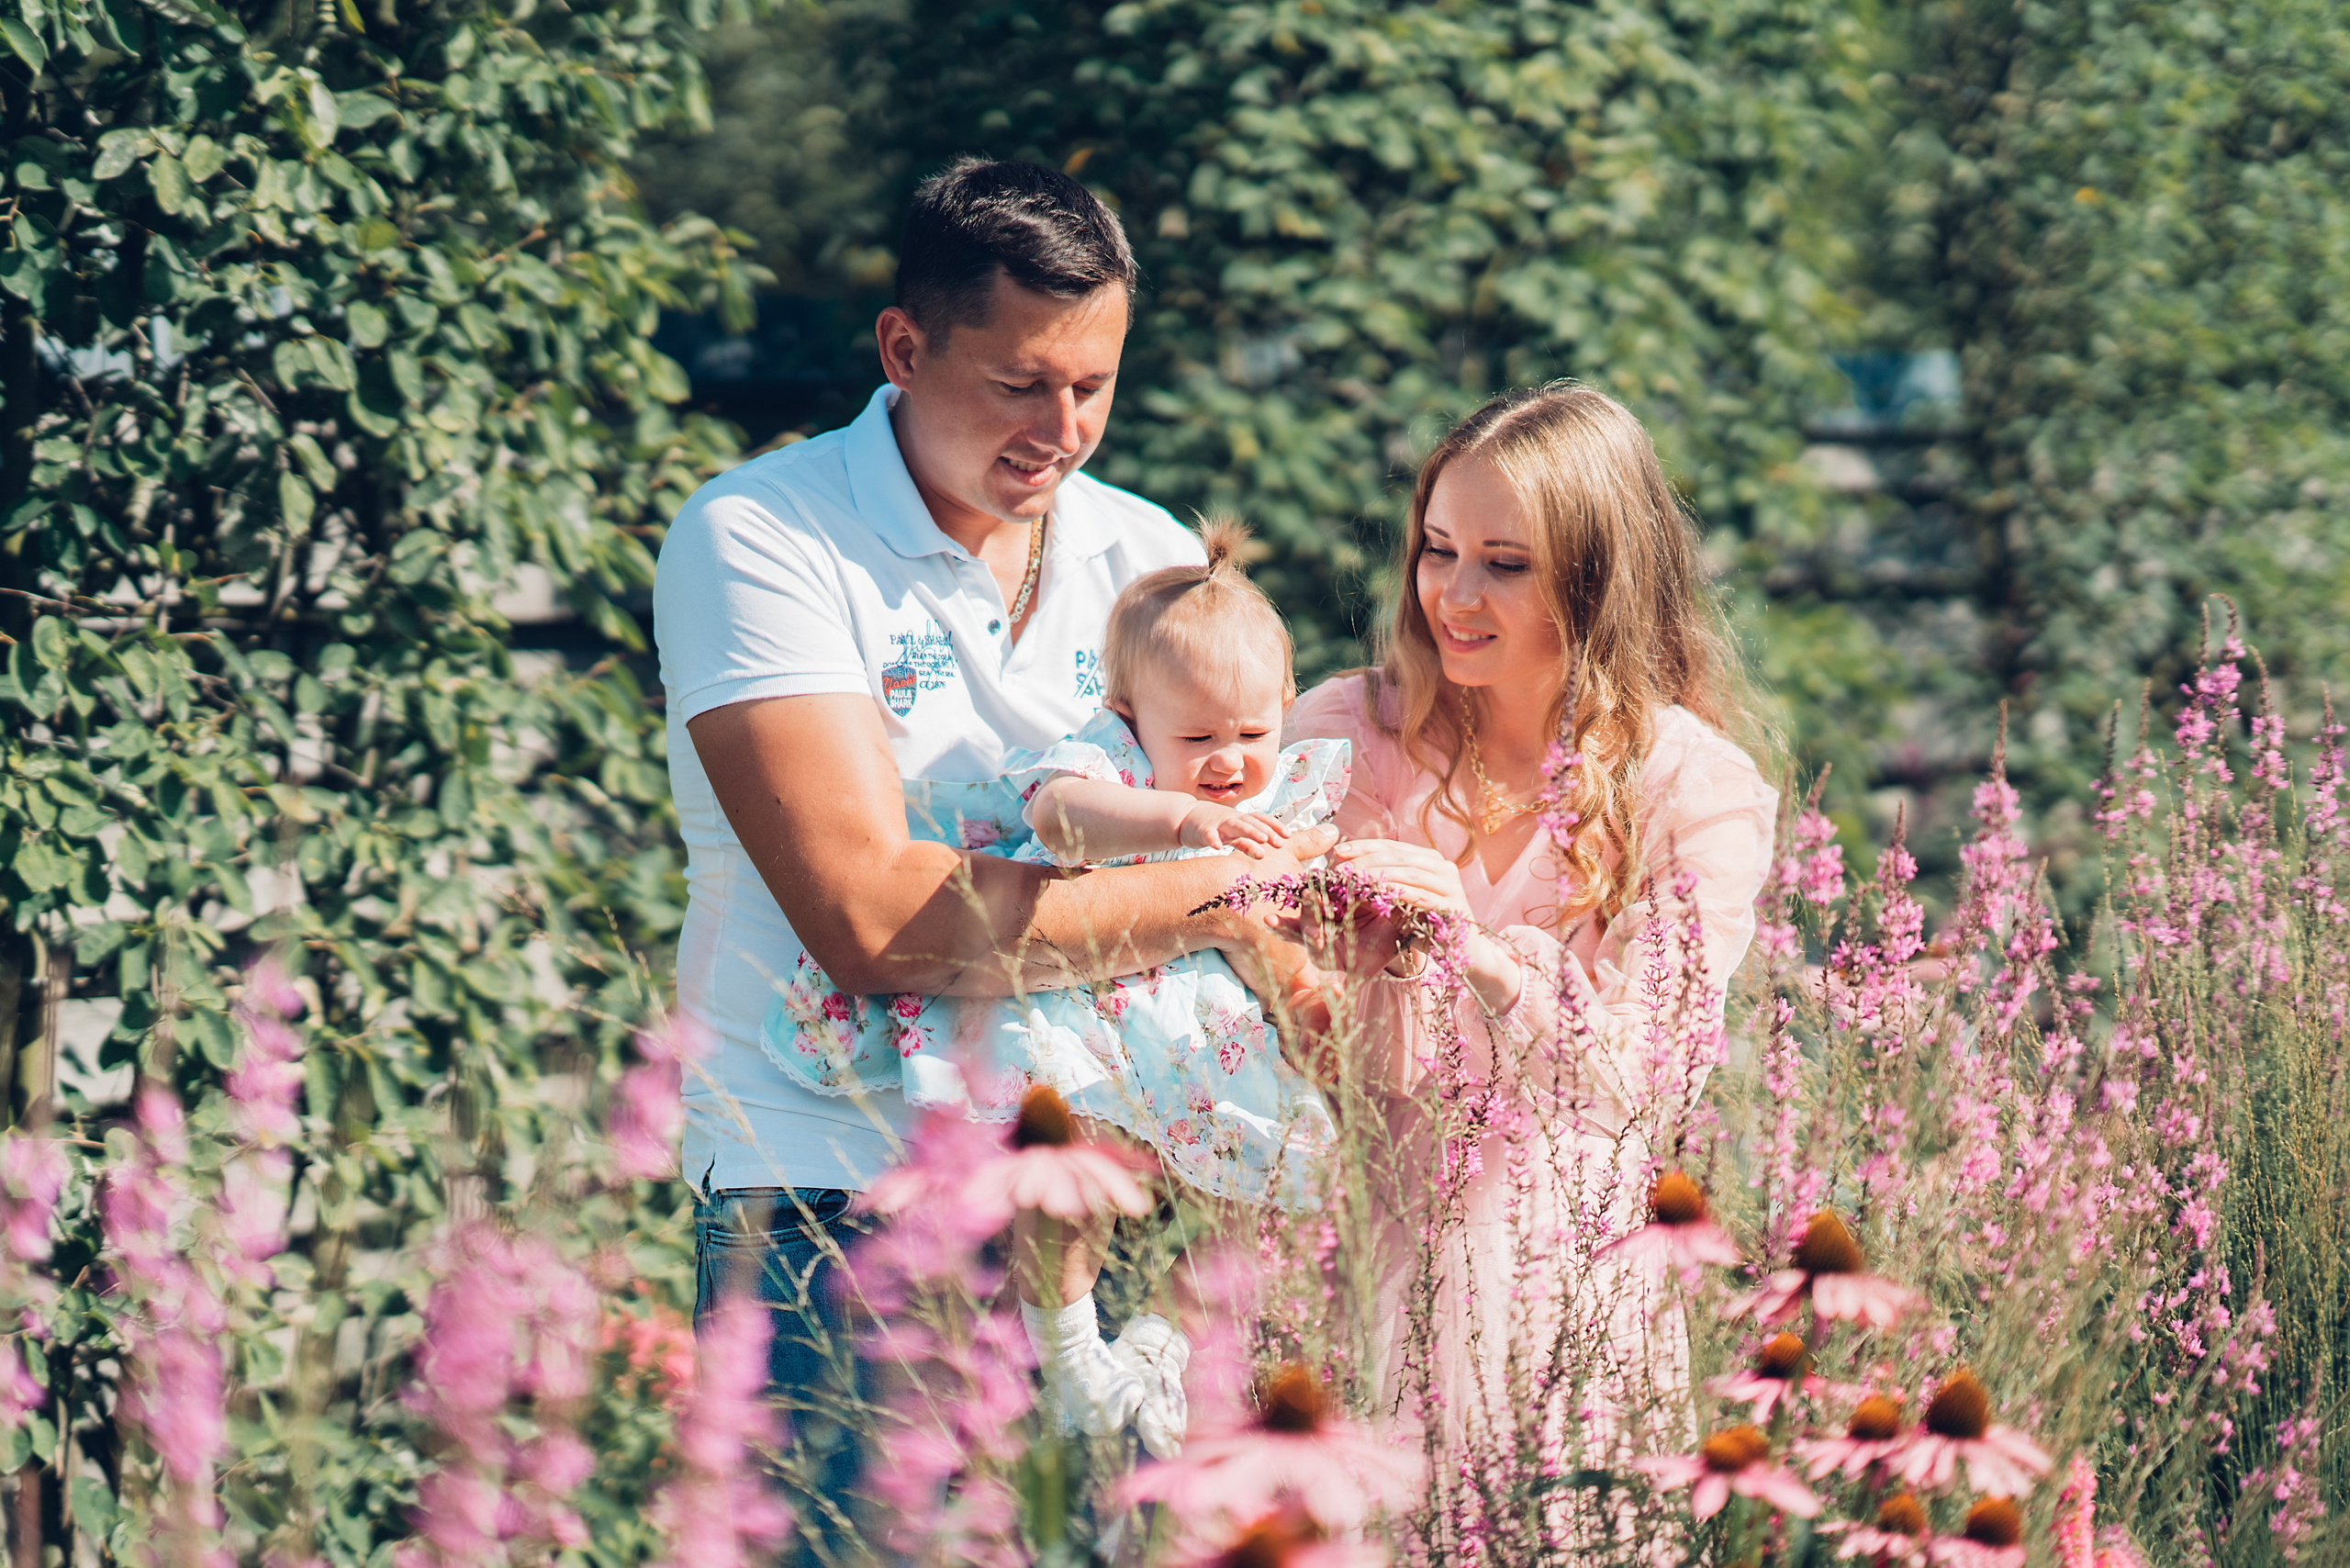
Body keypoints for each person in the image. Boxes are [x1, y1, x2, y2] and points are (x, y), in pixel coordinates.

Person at [651, 160, 1331, 1517]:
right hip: (837, 1186)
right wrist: (1229, 897)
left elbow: (1275, 814)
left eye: (1095, 385)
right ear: (904, 348)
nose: (1064, 427)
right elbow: (877, 917)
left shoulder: (1146, 559)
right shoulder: (764, 535)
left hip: (1116, 1189)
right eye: (1021, 383)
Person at [1283, 385, 1779, 1518]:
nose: (1453, 596)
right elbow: (1264, 1004)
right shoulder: (1342, 733)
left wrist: (1480, 953)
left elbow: (1642, 1079)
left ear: (1594, 582)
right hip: (1336, 1262)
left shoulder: (1689, 790)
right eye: (1437, 549)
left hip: (1561, 1302)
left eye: (1504, 564)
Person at [761, 517, 1347, 1456]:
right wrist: (1182, 817)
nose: (1229, 759)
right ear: (1128, 712)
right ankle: (1071, 1355)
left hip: (1206, 1038)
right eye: (1194, 735)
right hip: (1091, 1013)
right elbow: (1063, 820)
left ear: (1285, 703)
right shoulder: (1104, 764)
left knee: (1278, 1185)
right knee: (1068, 1169)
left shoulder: (1287, 790)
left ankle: (1159, 1338)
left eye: (1251, 730)